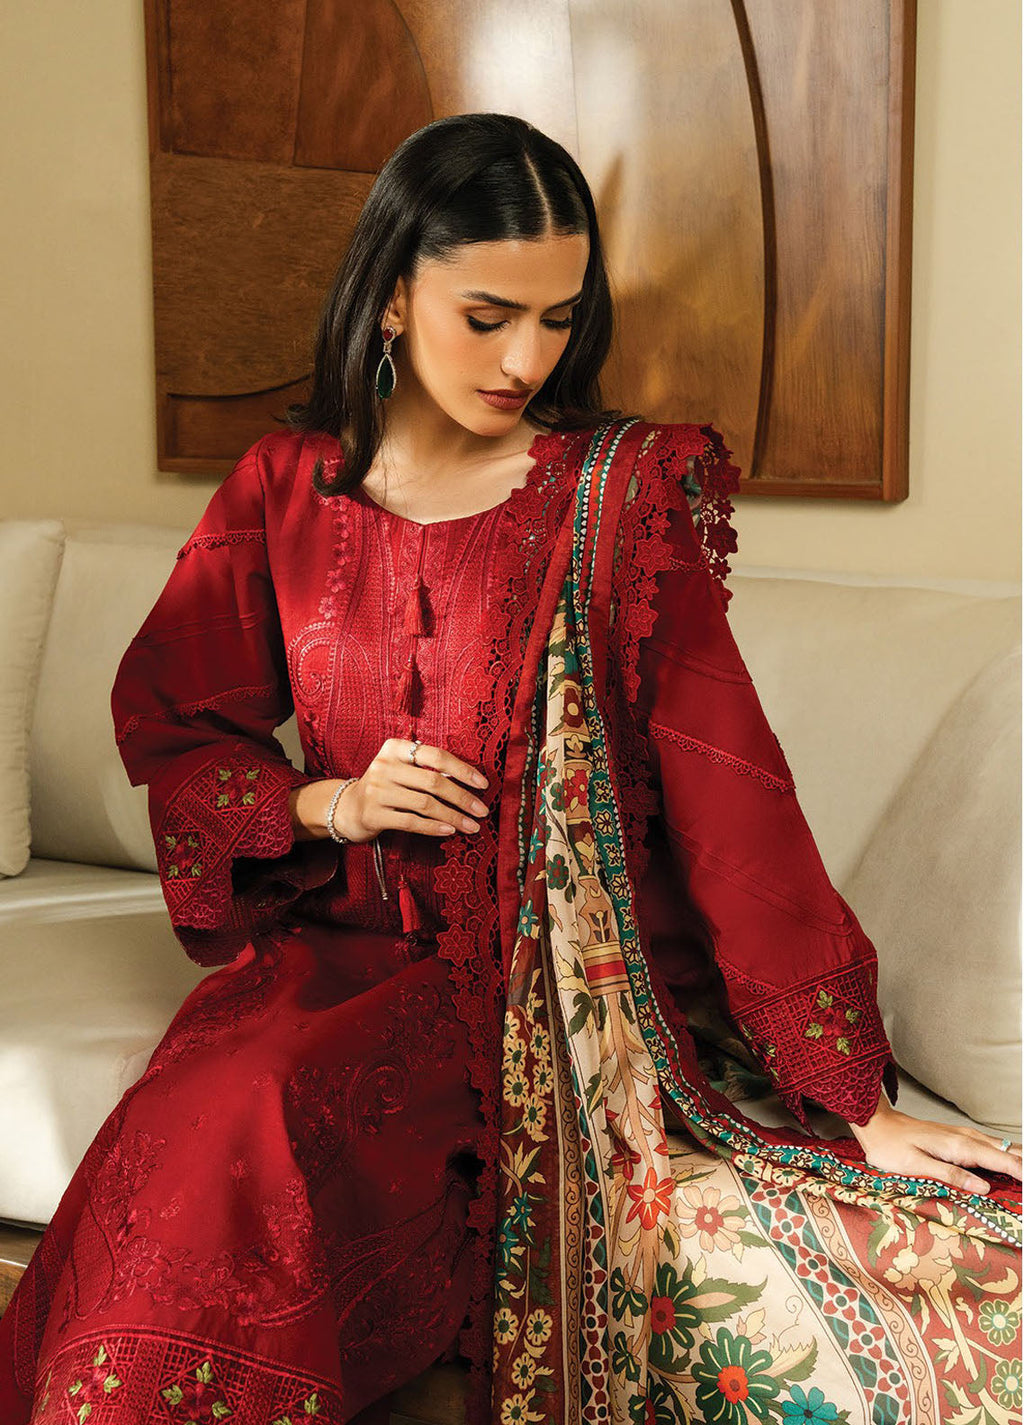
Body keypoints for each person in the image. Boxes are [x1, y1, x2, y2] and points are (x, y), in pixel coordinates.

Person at [0, 112, 1019, 1425]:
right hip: (335, 962)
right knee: (212, 1119)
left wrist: (854, 1095)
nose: (527, 358)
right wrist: (326, 802)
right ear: (390, 296)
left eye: (558, 317)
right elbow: (172, 720)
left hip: (553, 991)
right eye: (486, 317)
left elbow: (731, 793)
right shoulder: (286, 489)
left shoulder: (615, 499)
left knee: (272, 1115)